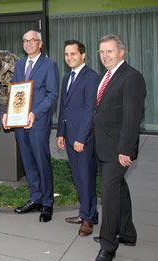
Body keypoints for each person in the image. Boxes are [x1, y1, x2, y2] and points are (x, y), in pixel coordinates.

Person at [93, 35, 146, 261]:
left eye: (110, 51)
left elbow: (133, 117)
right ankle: (127, 232)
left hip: (118, 149)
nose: (105, 55)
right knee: (119, 189)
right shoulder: (106, 75)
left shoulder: (131, 77)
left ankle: (108, 244)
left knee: (109, 193)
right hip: (103, 145)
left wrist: (126, 149)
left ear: (121, 52)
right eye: (102, 52)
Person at [2, 30, 59, 222]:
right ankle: (36, 198)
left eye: (32, 40)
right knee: (28, 162)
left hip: (38, 122)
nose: (28, 44)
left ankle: (48, 203)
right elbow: (15, 92)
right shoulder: (19, 65)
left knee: (42, 162)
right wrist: (6, 113)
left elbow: (52, 94)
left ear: (40, 43)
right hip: (19, 123)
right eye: (25, 41)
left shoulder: (50, 65)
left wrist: (35, 112)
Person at [56, 40, 99, 235]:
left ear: (83, 55)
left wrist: (81, 138)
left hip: (83, 139)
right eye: (66, 55)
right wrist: (61, 133)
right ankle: (86, 212)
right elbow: (63, 107)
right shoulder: (67, 78)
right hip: (70, 136)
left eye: (73, 54)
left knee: (86, 178)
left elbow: (90, 110)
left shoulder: (91, 78)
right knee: (78, 178)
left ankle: (88, 220)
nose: (69, 58)